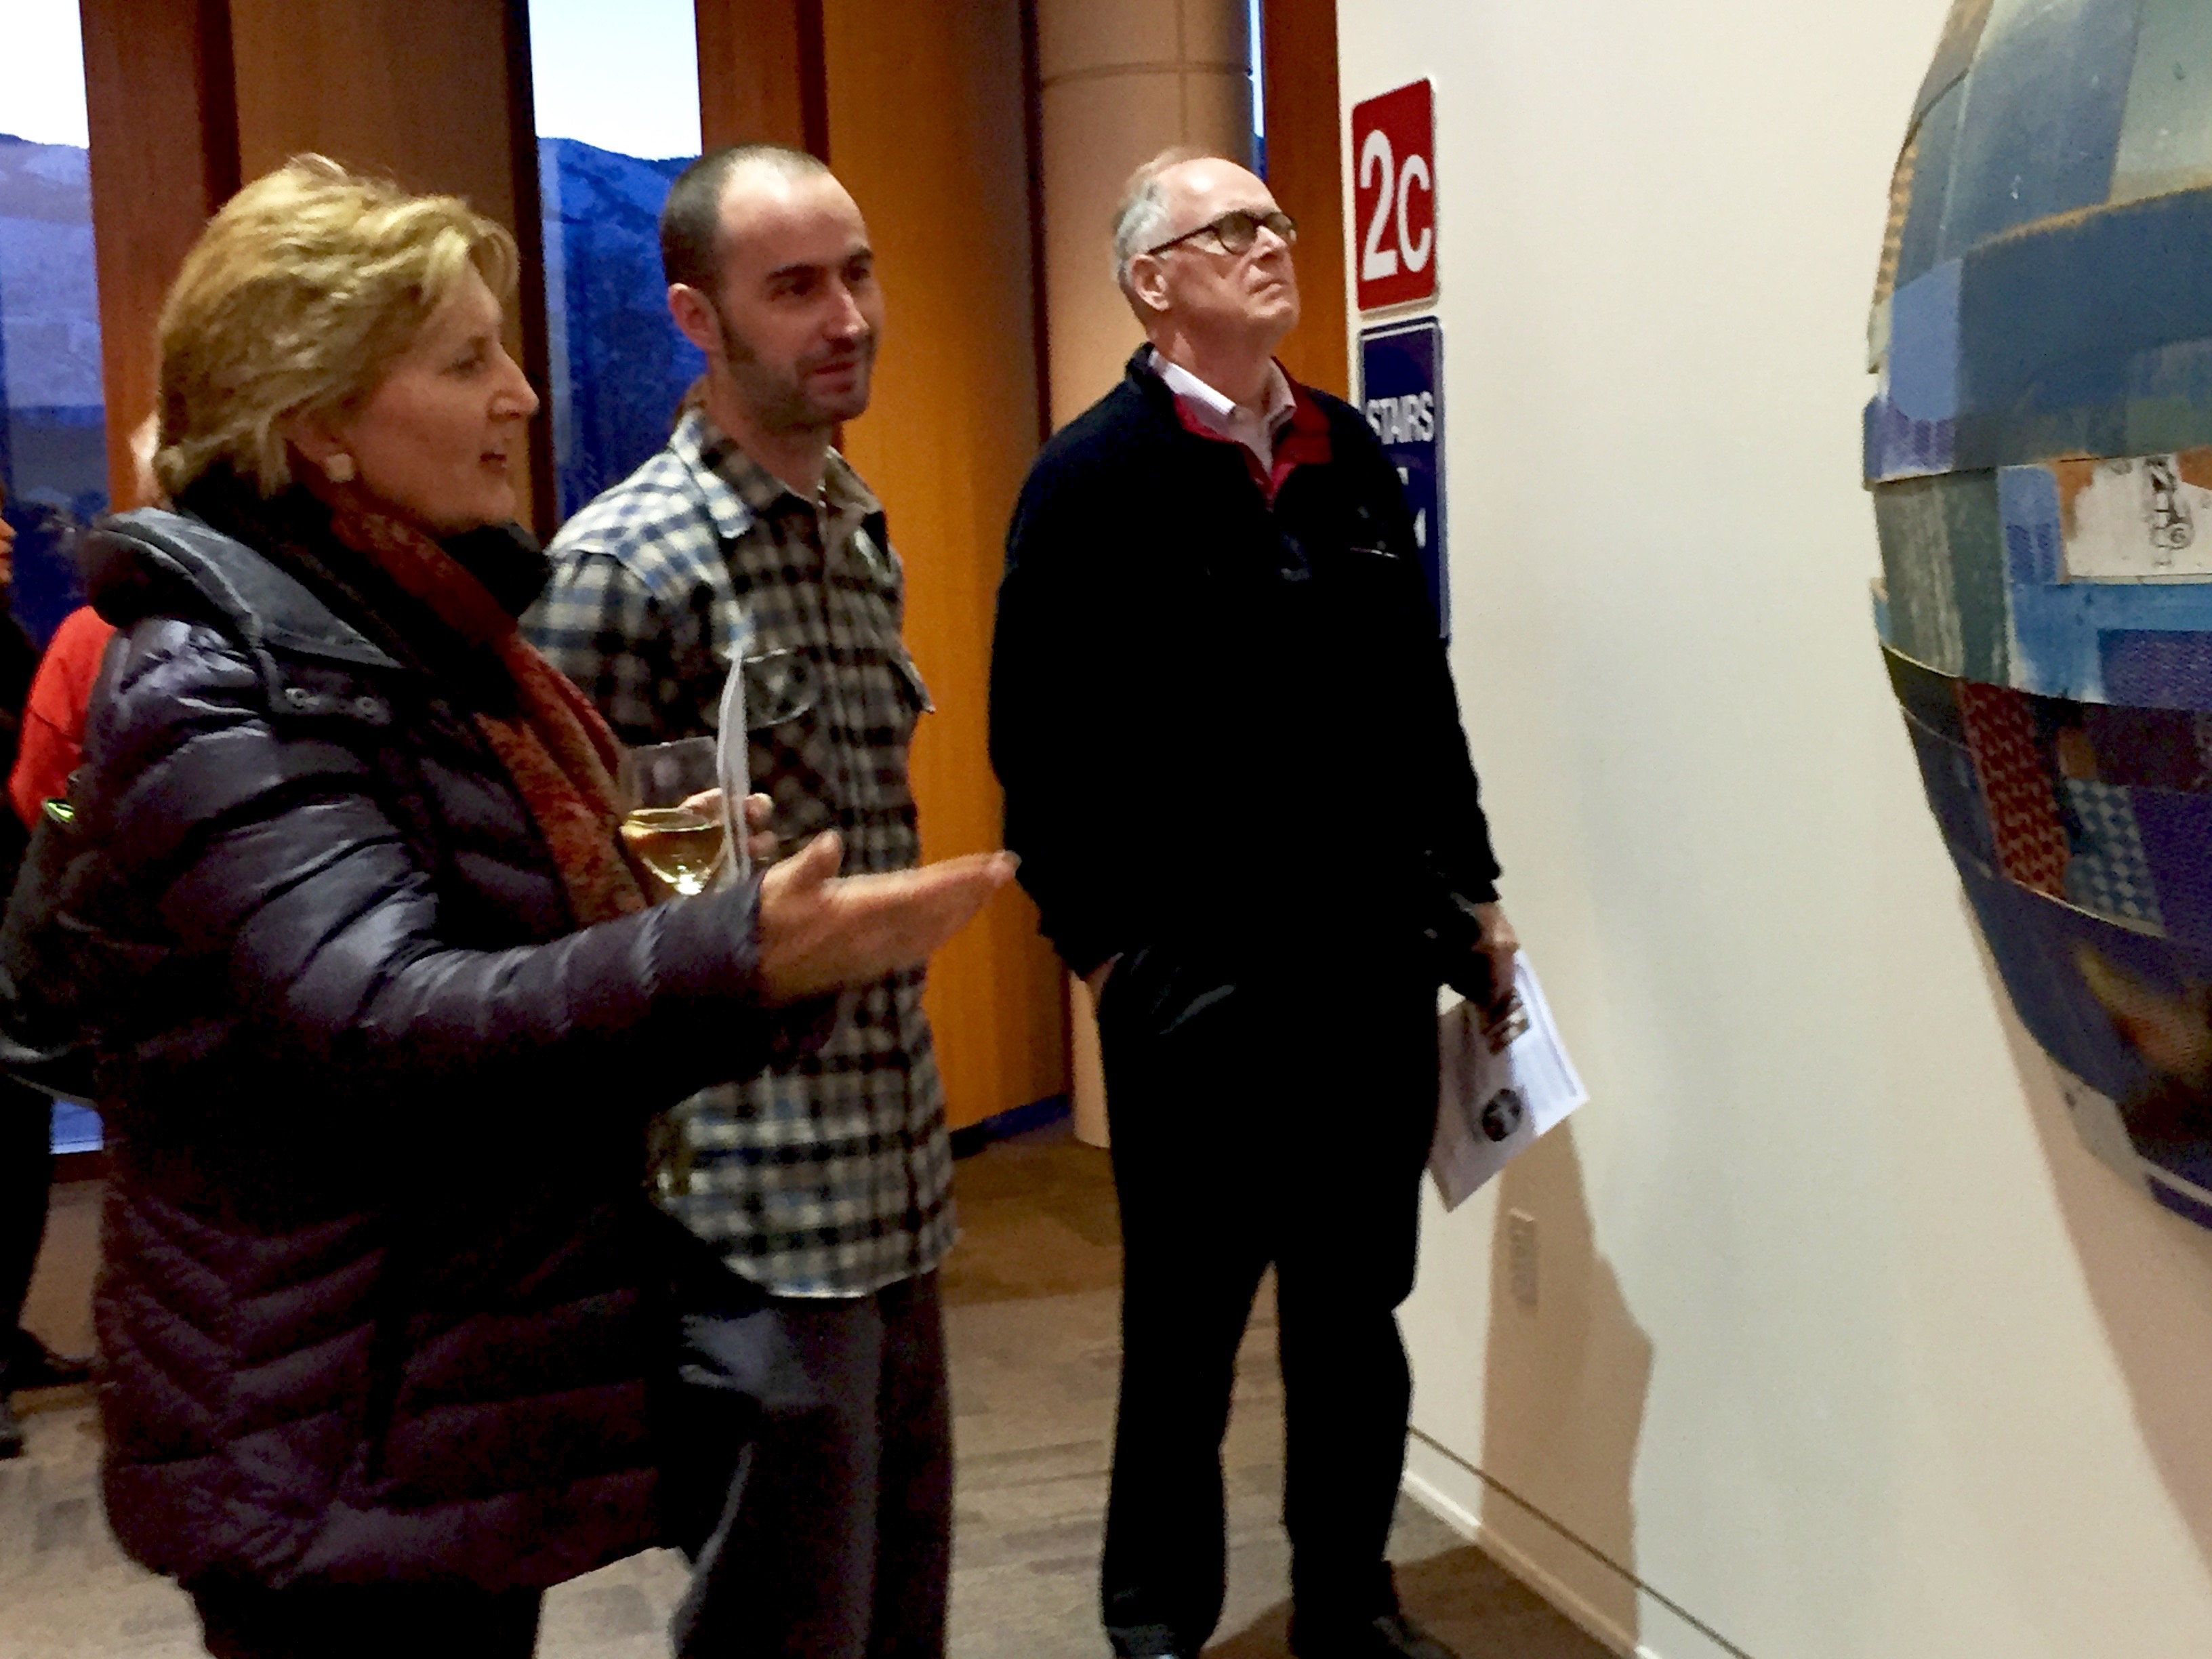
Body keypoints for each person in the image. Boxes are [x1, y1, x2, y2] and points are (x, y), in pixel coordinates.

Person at [42, 155, 1010, 1658]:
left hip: (443, 1384)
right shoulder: (226, 678)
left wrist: (689, 921)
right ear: (321, 425)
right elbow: (385, 1016)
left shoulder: (418, 639)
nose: (522, 395)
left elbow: (501, 946)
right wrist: (728, 954)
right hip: (332, 1415)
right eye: (466, 361)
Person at [989, 150, 1519, 1659]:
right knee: (1187, 1337)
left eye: (1276, 221)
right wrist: (1108, 957)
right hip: (1196, 992)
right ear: (1152, 282)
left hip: (1367, 975)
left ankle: (1349, 1606)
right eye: (1232, 229)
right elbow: (1038, 746)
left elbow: (1419, 697)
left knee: (1356, 1320)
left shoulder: (1346, 452)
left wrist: (1472, 888)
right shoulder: (1089, 480)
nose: (1274, 243)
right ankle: (1159, 1628)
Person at [525, 141, 956, 1659]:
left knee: (896, 1619)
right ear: (698, 320)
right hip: (744, 1211)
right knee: (784, 1631)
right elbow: (557, 923)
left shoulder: (852, 526)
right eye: (795, 288)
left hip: (896, 1178)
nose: (847, 316)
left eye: (859, 273)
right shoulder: (622, 566)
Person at [0, 480, 92, 1460]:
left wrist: (73, 829)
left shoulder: (18, 640)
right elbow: (47, 793)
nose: (4, 533)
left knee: (17, 1150)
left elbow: (45, 793)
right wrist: (76, 827)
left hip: (16, 917)